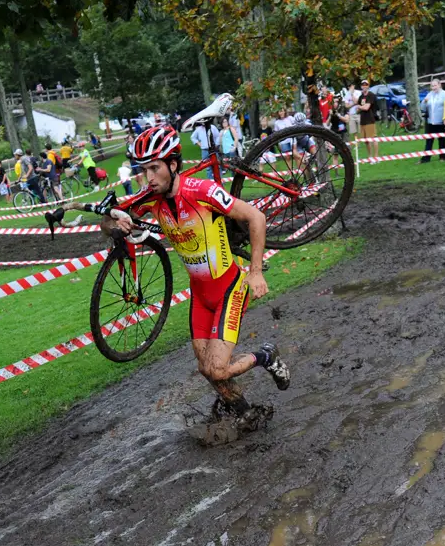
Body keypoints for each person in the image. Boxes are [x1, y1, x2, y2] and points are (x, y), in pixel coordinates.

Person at [60, 126, 290, 434]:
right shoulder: (150, 198)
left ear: (173, 164)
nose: (149, 177)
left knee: (218, 368)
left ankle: (265, 355)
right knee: (205, 368)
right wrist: (117, 223)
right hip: (200, 294)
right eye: (144, 170)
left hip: (229, 288)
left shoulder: (202, 191)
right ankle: (245, 413)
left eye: (155, 168)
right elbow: (106, 221)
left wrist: (256, 271)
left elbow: (255, 217)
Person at [419, 78, 445, 163]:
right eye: (432, 86)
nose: (433, 87)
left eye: (435, 85)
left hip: (440, 121)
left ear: (439, 85)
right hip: (430, 121)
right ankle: (426, 159)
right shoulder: (429, 94)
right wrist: (424, 101)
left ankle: (443, 157)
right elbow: (422, 107)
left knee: (441, 140)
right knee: (429, 141)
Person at [357, 79, 379, 158]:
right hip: (362, 120)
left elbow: (366, 107)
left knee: (373, 138)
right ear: (361, 86)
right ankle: (370, 156)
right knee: (366, 140)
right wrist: (360, 107)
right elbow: (358, 109)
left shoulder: (371, 95)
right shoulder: (361, 97)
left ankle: (376, 156)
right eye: (363, 85)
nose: (364, 86)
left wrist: (360, 107)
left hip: (370, 119)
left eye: (366, 85)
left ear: (368, 86)